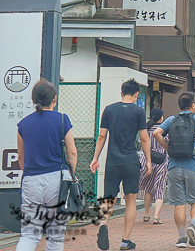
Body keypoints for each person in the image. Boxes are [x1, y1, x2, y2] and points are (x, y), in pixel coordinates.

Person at [90, 79, 152, 251]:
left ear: (121, 92)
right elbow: (144, 138)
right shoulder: (139, 112)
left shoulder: (109, 110)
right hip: (131, 161)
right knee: (130, 199)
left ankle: (103, 223)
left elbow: (102, 136)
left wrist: (95, 158)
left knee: (109, 197)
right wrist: (148, 160)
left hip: (112, 162)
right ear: (136, 94)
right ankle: (125, 240)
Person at [15, 79, 77, 251]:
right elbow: (72, 152)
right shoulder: (62, 119)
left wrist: (29, 173)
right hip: (57, 179)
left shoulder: (23, 124)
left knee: (29, 234)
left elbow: (21, 156)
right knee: (55, 234)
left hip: (31, 179)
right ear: (54, 99)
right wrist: (70, 176)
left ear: (33, 100)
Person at [153, 93, 195, 249]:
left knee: (179, 203)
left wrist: (167, 148)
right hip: (193, 166)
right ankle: (193, 225)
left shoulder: (171, 119)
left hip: (174, 167)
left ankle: (181, 238)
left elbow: (156, 133)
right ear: (192, 105)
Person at [138, 109, 168, 224]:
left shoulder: (145, 129)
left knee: (148, 188)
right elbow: (168, 144)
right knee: (159, 188)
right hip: (161, 160)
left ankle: (146, 215)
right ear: (161, 118)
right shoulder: (164, 130)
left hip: (147, 159)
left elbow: (141, 143)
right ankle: (156, 217)